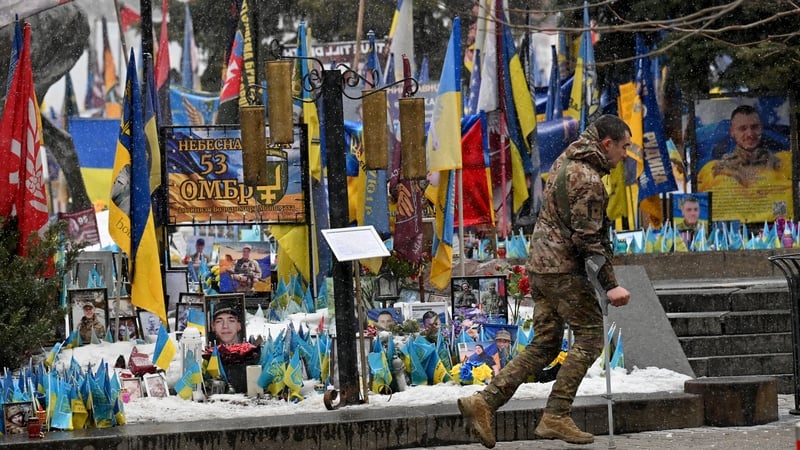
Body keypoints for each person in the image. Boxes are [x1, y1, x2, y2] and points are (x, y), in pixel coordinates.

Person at [458, 114, 632, 448]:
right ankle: (556, 414)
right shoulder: (589, 179)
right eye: (623, 147)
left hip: (540, 266)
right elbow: (588, 240)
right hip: (562, 271)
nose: (624, 154)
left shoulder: (565, 161)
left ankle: (485, 401)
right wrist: (610, 285)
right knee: (592, 337)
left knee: (545, 344)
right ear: (607, 144)